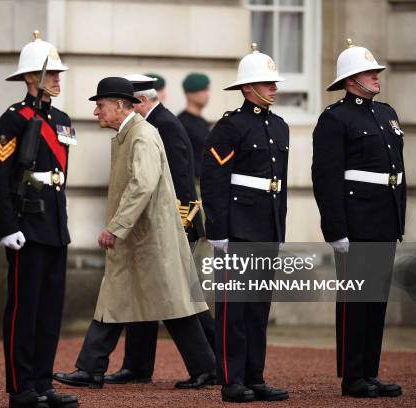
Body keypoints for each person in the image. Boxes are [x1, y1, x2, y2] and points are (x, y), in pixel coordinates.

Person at [53, 77, 215, 390]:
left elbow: (142, 184)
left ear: (119, 105)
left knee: (172, 305)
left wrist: (116, 227)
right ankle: (91, 367)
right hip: (141, 238)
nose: (97, 112)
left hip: (148, 239)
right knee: (121, 297)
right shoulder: (132, 134)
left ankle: (205, 367)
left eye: (100, 106)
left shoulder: (141, 135)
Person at [0, 30, 78, 408]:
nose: (57, 79)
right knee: (24, 310)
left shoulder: (63, 119)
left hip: (54, 224)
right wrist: (6, 227)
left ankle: (42, 382)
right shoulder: (13, 120)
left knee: (50, 311)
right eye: (50, 73)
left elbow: (60, 177)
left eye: (57, 73)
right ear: (30, 78)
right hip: (26, 225)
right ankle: (21, 388)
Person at [100, 75, 214, 388]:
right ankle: (137, 366)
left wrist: (180, 225)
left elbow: (179, 180)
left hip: (174, 224)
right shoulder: (155, 123)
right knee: (151, 293)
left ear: (142, 101)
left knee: (180, 299)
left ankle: (215, 361)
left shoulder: (161, 125)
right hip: (155, 225)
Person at [312, 38, 405, 399]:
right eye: (369, 72)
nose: (376, 75)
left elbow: (396, 172)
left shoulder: (386, 113)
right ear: (351, 80)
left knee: (376, 300)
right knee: (355, 301)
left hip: (384, 218)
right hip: (356, 220)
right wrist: (335, 229)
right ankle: (353, 377)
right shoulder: (335, 118)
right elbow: (326, 177)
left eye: (376, 70)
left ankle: (370, 371)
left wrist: (399, 218)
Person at [201, 43, 289, 403]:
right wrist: (218, 231)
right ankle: (231, 379)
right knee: (233, 309)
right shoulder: (229, 126)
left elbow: (278, 185)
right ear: (247, 88)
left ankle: (255, 376)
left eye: (273, 82)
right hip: (238, 228)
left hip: (266, 226)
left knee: (258, 307)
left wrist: (279, 229)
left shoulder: (280, 126)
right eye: (267, 83)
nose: (274, 87)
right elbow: (215, 180)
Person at [178, 73, 211, 179]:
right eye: (202, 90)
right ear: (189, 94)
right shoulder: (182, 122)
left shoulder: (202, 122)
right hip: (192, 180)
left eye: (207, 90)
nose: (207, 94)